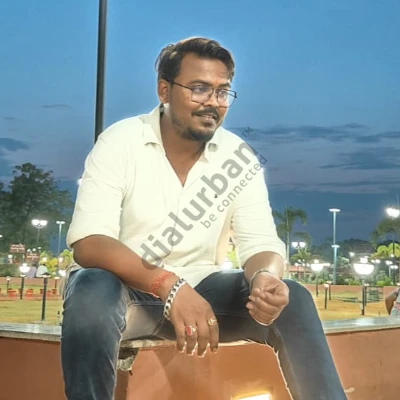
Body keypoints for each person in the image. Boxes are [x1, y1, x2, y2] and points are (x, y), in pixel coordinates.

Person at [61, 37, 347, 400]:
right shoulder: (121, 141)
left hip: (205, 298)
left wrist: (265, 277)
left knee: (295, 299)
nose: (213, 101)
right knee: (91, 287)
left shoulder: (237, 156)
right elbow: (89, 243)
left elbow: (260, 241)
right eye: (199, 88)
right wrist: (169, 286)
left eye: (222, 91)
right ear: (164, 90)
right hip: (126, 296)